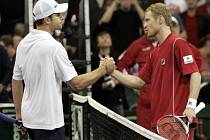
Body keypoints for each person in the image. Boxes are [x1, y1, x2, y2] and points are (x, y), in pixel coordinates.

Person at [12, 0, 115, 140]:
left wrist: (19, 115)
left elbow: (16, 81)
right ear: (47, 19)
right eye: (57, 15)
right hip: (49, 125)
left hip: (29, 121)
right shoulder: (54, 47)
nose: (62, 17)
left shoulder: (23, 44)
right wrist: (103, 69)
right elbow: (77, 84)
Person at [109, 3, 201, 139]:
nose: (144, 25)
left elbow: (195, 74)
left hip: (176, 123)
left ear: (160, 19)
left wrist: (191, 106)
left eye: (147, 20)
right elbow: (139, 82)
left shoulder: (178, 44)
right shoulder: (154, 53)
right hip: (157, 124)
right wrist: (112, 71)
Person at [117, 34, 156, 130]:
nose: (146, 25)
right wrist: (133, 84)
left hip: (167, 105)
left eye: (149, 21)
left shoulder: (171, 43)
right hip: (145, 106)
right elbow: (121, 63)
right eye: (145, 21)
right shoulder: (138, 44)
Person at [91, 29, 126, 116]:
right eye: (102, 37)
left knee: (119, 127)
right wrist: (102, 86)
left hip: (116, 100)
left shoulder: (118, 57)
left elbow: (125, 73)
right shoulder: (92, 59)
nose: (105, 39)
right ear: (97, 42)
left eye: (107, 37)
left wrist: (115, 81)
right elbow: (90, 78)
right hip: (99, 100)